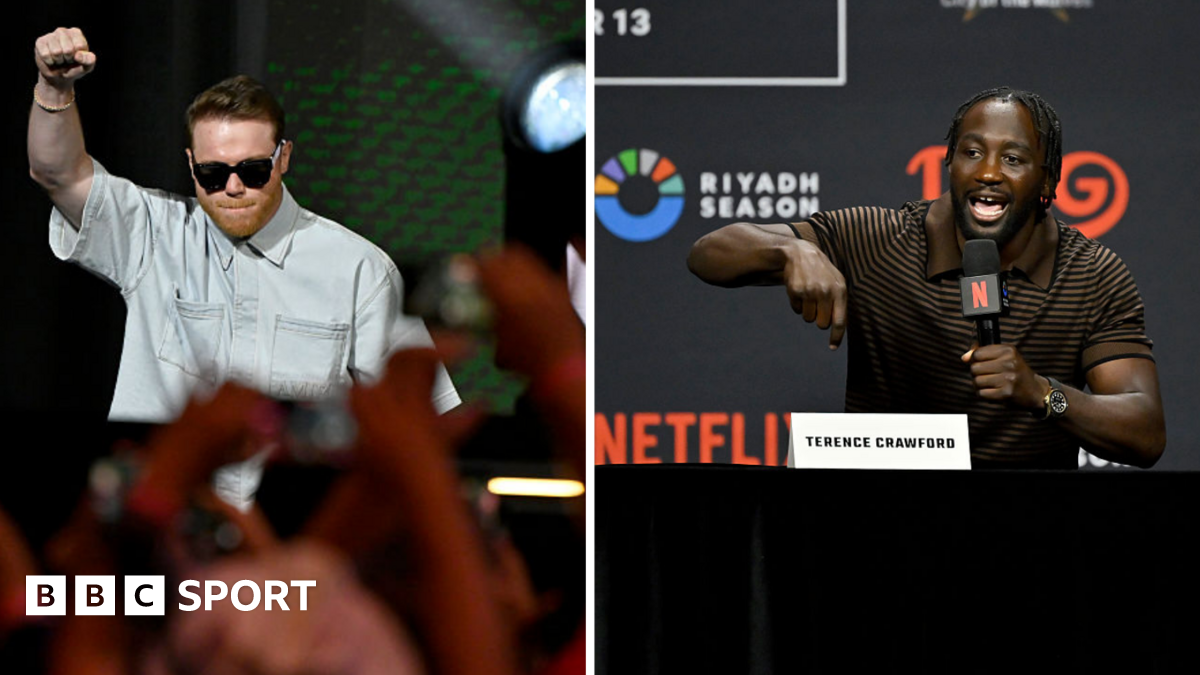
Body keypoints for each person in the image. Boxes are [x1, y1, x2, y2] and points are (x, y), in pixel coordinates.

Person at [29, 28, 459, 505]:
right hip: (162, 525)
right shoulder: (151, 233)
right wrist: (55, 88)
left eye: (253, 171)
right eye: (213, 174)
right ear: (191, 165)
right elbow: (56, 173)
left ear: (283, 157)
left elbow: (424, 419)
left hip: (285, 530)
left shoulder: (359, 268)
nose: (233, 187)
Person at [687, 86, 1165, 469]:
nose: (989, 173)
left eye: (1013, 159)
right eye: (972, 152)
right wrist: (791, 249)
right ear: (949, 164)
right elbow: (707, 254)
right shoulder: (880, 239)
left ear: (1048, 180)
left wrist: (1043, 393)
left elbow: (1145, 433)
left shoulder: (1092, 272)